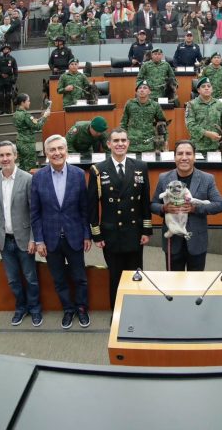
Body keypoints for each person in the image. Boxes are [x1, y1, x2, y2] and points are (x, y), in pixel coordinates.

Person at [31, 134, 92, 329]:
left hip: (75, 236)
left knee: (80, 277)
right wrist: (39, 240)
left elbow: (84, 209)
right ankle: (68, 309)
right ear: (46, 153)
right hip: (50, 239)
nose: (57, 153)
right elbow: (35, 213)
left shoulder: (78, 175)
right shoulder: (38, 177)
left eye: (60, 149)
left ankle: (81, 309)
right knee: (59, 279)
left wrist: (86, 234)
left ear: (66, 151)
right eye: (52, 150)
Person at [88, 128, 153, 309]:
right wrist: (97, 235)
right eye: (115, 141)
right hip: (111, 234)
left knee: (136, 274)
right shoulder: (98, 170)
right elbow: (92, 205)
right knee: (115, 276)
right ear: (109, 144)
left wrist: (146, 229)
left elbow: (145, 201)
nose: (120, 144)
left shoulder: (140, 167)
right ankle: (117, 313)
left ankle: (137, 310)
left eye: (123, 140)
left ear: (128, 143)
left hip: (134, 232)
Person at [0, 141, 42, 327]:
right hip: (4, 241)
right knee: (13, 280)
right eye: (1, 155)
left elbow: (35, 212)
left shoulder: (27, 179)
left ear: (15, 156)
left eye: (8, 155)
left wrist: (34, 238)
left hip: (25, 240)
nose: (5, 159)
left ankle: (35, 308)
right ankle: (21, 308)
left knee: (30, 278)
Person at [151, 140, 222, 271]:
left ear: (194, 157)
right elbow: (153, 204)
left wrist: (195, 208)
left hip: (197, 241)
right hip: (172, 241)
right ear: (175, 157)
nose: (184, 157)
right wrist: (164, 208)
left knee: (196, 286)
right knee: (173, 285)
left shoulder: (207, 178)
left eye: (188, 153)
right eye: (180, 154)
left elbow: (219, 204)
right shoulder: (164, 178)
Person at [120, 79, 167, 152]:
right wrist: (123, 139)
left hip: (149, 144)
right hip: (132, 144)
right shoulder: (130, 104)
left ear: (149, 91)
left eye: (145, 88)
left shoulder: (155, 105)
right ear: (136, 91)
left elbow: (163, 123)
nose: (142, 90)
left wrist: (165, 140)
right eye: (140, 88)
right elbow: (123, 123)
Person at [185, 78, 222, 153]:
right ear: (198, 90)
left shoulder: (219, 104)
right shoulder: (191, 104)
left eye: (209, 86)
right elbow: (190, 125)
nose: (206, 88)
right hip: (198, 147)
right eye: (203, 86)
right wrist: (208, 134)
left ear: (212, 89)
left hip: (216, 146)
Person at [13, 94, 50, 171]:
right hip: (27, 143)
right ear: (23, 102)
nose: (29, 102)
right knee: (30, 167)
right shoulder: (26, 115)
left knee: (23, 165)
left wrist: (41, 117)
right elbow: (37, 127)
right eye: (28, 101)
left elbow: (30, 124)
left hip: (20, 141)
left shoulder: (16, 114)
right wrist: (45, 117)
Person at [0, 43, 18, 115]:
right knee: (0, 95)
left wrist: (15, 79)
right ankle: (1, 110)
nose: (5, 50)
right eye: (4, 49)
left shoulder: (12, 59)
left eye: (7, 49)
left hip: (9, 78)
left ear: (9, 50)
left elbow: (15, 70)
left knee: (8, 94)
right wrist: (1, 74)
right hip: (1, 79)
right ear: (2, 50)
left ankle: (8, 109)